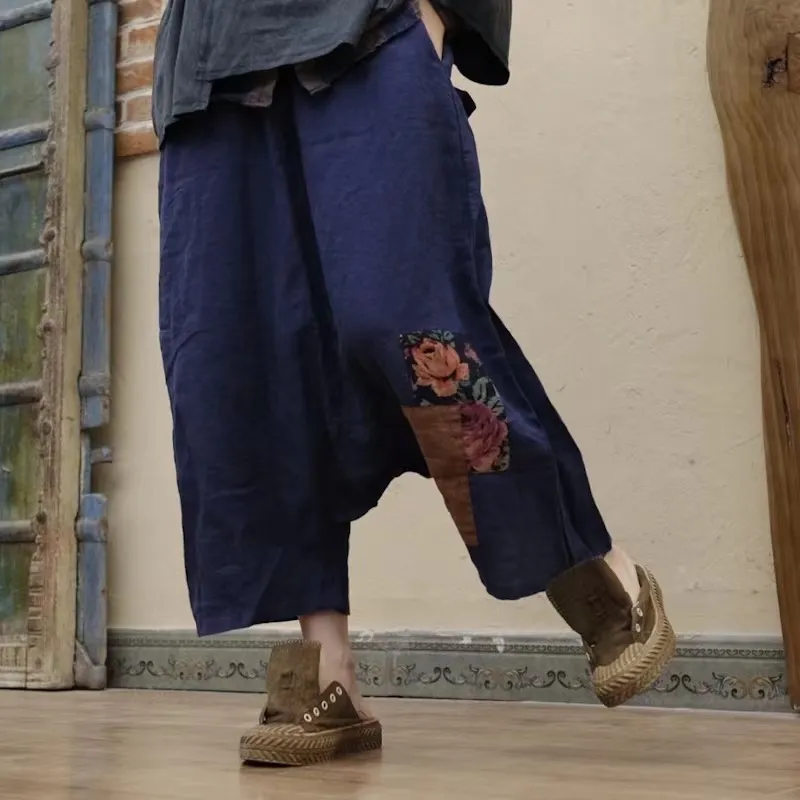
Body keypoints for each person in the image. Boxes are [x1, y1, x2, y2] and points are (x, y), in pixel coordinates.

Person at [153, 0, 676, 767]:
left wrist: (442, 14)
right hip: (213, 51)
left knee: (410, 329)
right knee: (246, 360)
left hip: (367, 21)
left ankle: (582, 557)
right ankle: (326, 668)